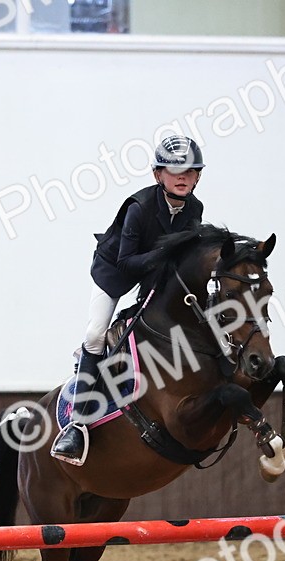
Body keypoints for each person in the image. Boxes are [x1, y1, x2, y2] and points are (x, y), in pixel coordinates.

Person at [50, 135, 206, 465]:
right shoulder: (139, 207)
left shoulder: (195, 209)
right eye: (174, 170)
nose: (182, 177)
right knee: (95, 334)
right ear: (157, 175)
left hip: (154, 274)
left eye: (190, 171)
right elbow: (125, 262)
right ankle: (77, 426)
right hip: (115, 270)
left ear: (198, 177)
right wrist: (164, 255)